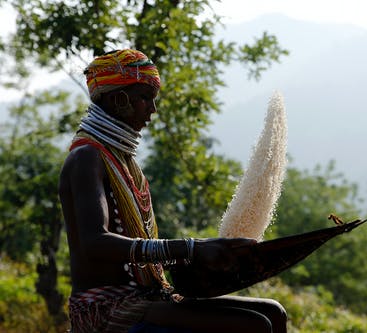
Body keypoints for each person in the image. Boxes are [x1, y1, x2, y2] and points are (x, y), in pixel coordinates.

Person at [58, 49, 287, 333]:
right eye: (144, 98)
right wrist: (190, 248)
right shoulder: (86, 158)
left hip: (148, 296)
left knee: (274, 313)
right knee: (254, 325)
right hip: (107, 307)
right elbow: (95, 242)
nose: (152, 109)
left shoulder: (124, 162)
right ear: (118, 99)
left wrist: (202, 253)